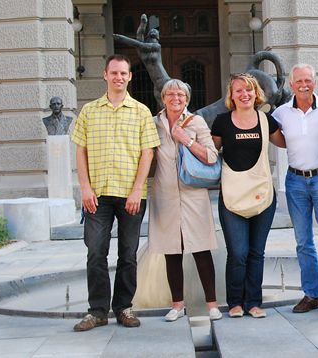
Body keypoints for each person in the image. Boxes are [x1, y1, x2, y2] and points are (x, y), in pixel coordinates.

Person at [71, 54, 160, 331]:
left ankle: (123, 307)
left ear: (130, 77)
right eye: (114, 73)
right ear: (105, 75)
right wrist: (85, 188)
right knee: (96, 252)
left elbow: (148, 153)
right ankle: (97, 311)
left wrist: (137, 191)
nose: (119, 78)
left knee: (128, 253)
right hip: (96, 194)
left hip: (130, 194)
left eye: (124, 73)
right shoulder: (89, 111)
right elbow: (81, 151)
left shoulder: (141, 111)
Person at [271, 64, 318, 314]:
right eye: (299, 81)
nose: (304, 85)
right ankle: (312, 294)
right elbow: (271, 134)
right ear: (291, 85)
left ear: (315, 82)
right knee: (303, 242)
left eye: (308, 80)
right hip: (295, 181)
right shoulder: (281, 113)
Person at [211, 73, 285, 319]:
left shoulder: (266, 121)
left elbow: (288, 141)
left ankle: (253, 303)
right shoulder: (221, 122)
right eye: (238, 91)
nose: (244, 94)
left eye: (249, 90)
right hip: (232, 196)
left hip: (262, 195)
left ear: (256, 93)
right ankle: (234, 302)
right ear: (231, 95)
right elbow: (210, 153)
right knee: (238, 253)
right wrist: (186, 139)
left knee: (256, 252)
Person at [148, 79, 222, 322]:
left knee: (200, 248)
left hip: (193, 194)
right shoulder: (153, 123)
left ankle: (212, 304)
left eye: (180, 94)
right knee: (172, 251)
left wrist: (186, 140)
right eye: (170, 94)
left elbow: (212, 156)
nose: (175, 98)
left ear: (187, 99)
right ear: (163, 98)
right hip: (165, 194)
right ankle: (177, 305)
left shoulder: (196, 122)